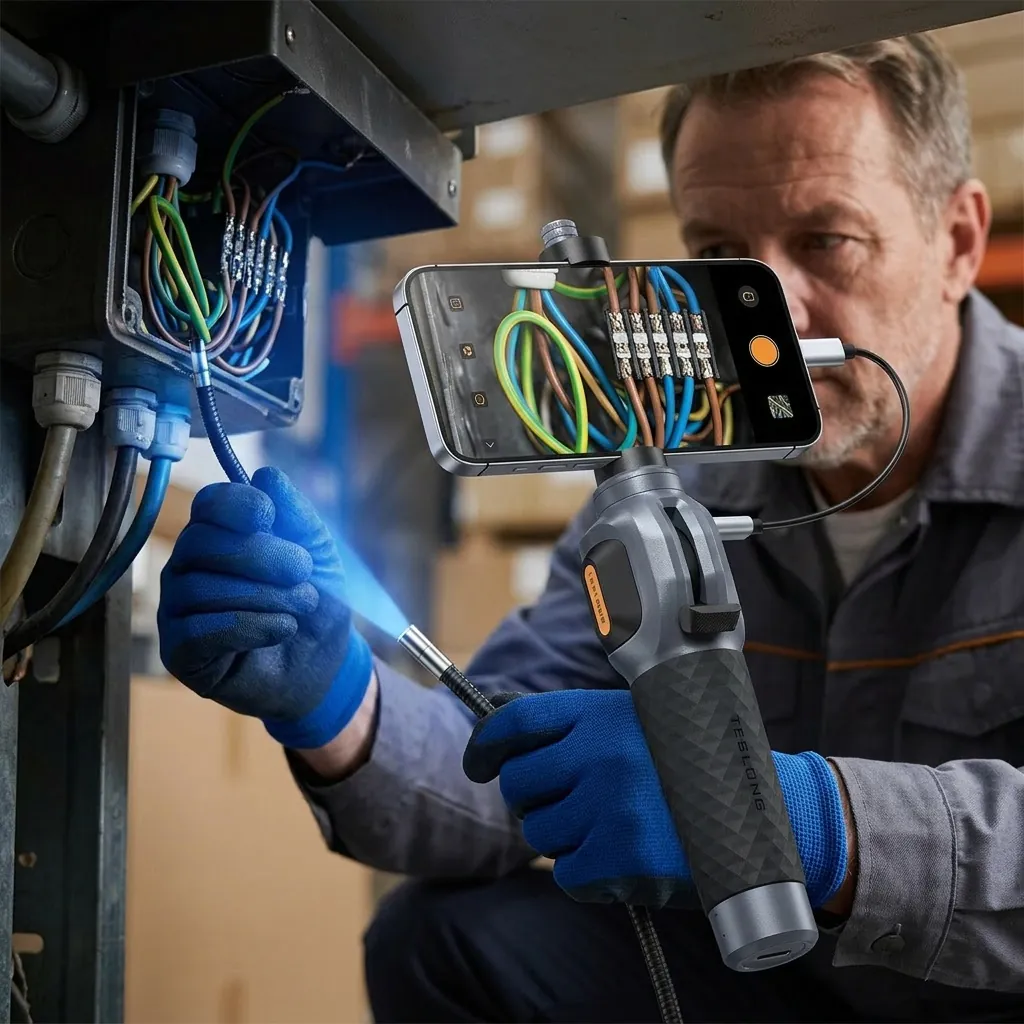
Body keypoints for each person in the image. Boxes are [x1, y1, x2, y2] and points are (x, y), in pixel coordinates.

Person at [157, 34, 1024, 1023]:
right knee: (443, 940)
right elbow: (504, 757)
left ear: (957, 241)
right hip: (778, 985)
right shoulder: (674, 476)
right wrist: (330, 699)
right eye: (718, 256)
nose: (769, 311)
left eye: (825, 240)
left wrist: (808, 826)